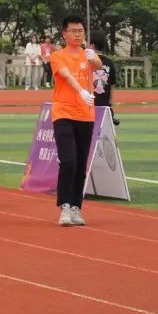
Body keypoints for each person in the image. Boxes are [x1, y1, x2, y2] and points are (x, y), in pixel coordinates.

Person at [51, 15, 105, 227]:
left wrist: (93, 58)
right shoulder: (58, 56)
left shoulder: (88, 54)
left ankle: (76, 206)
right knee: (68, 161)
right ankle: (64, 205)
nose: (77, 34)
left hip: (86, 114)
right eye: (73, 31)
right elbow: (66, 76)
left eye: (80, 31)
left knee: (81, 164)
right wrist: (81, 91)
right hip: (64, 113)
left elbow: (99, 67)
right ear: (64, 34)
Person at [90, 33, 119, 125]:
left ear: (92, 45)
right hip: (104, 107)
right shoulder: (109, 63)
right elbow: (112, 85)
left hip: (89, 106)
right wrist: (109, 105)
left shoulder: (87, 61)